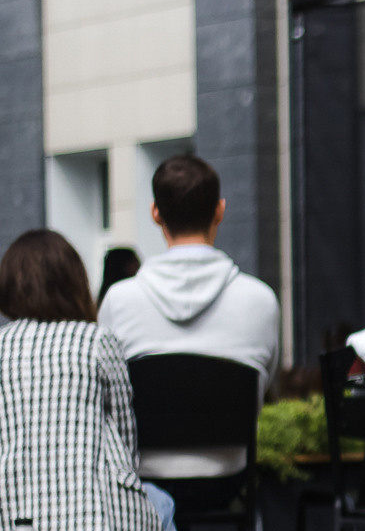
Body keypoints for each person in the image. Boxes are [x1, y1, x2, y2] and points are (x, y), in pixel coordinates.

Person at [0, 230, 215, 531]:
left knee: (33, 517)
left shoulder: (1, 348)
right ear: (74, 282)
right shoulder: (98, 342)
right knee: (159, 504)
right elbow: (124, 439)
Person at [98, 155, 281, 479]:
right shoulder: (260, 300)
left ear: (155, 213)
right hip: (228, 474)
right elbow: (264, 385)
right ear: (219, 211)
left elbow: (107, 395)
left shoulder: (119, 301)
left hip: (143, 480)